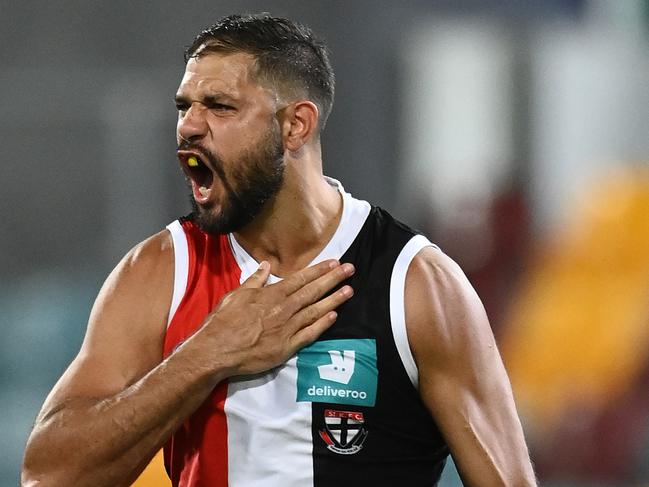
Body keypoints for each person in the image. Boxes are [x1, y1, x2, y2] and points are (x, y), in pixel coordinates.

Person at [22, 13, 537, 487]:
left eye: (220, 106)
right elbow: (48, 475)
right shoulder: (159, 272)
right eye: (185, 106)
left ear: (295, 125)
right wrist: (206, 355)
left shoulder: (415, 285)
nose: (189, 126)